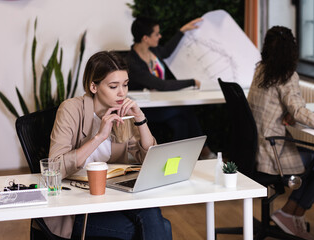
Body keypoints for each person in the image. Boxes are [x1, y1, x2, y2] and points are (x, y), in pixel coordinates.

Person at [45, 51, 172, 240]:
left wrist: (140, 119)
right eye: (113, 86)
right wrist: (99, 136)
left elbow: (148, 158)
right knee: (161, 226)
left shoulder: (123, 111)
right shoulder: (70, 109)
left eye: (125, 84)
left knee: (154, 216)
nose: (122, 93)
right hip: (76, 207)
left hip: (112, 197)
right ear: (93, 86)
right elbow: (54, 167)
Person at [247, 26, 314, 239]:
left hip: (253, 149)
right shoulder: (286, 75)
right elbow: (298, 110)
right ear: (292, 50)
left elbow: (280, 107)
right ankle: (290, 212)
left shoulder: (261, 70)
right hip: (272, 153)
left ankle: (290, 214)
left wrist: (287, 113)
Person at [126, 16, 215, 159]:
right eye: (156, 34)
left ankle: (175, 160)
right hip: (145, 110)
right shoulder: (132, 63)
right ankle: (202, 151)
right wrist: (192, 82)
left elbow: (167, 50)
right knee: (185, 109)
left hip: (163, 105)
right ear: (145, 38)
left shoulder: (154, 52)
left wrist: (182, 31)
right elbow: (161, 85)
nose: (160, 36)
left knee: (181, 123)